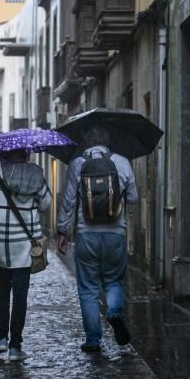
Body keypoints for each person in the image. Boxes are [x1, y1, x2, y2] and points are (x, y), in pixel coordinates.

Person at [56, 127, 138, 353]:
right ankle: (114, 313)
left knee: (88, 288)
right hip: (115, 234)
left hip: (86, 235)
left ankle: (93, 340)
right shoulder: (122, 162)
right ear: (107, 142)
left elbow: (69, 201)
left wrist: (62, 232)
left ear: (86, 143)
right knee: (113, 281)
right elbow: (133, 198)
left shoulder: (77, 164)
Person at [0, 148, 52, 361]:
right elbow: (46, 204)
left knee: (2, 288)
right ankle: (15, 347)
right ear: (26, 154)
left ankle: (0, 338)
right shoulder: (36, 173)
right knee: (21, 293)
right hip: (24, 241)